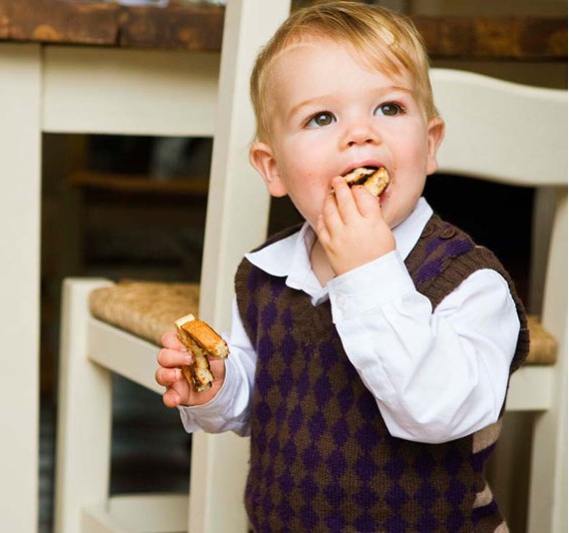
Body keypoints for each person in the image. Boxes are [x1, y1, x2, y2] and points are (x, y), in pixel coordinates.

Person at [154, 2, 528, 531]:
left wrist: (369, 274)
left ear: (430, 144)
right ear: (273, 168)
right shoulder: (268, 274)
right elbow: (263, 398)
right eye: (321, 118)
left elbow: (439, 412)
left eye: (390, 109)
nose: (360, 134)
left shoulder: (471, 283)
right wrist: (218, 387)